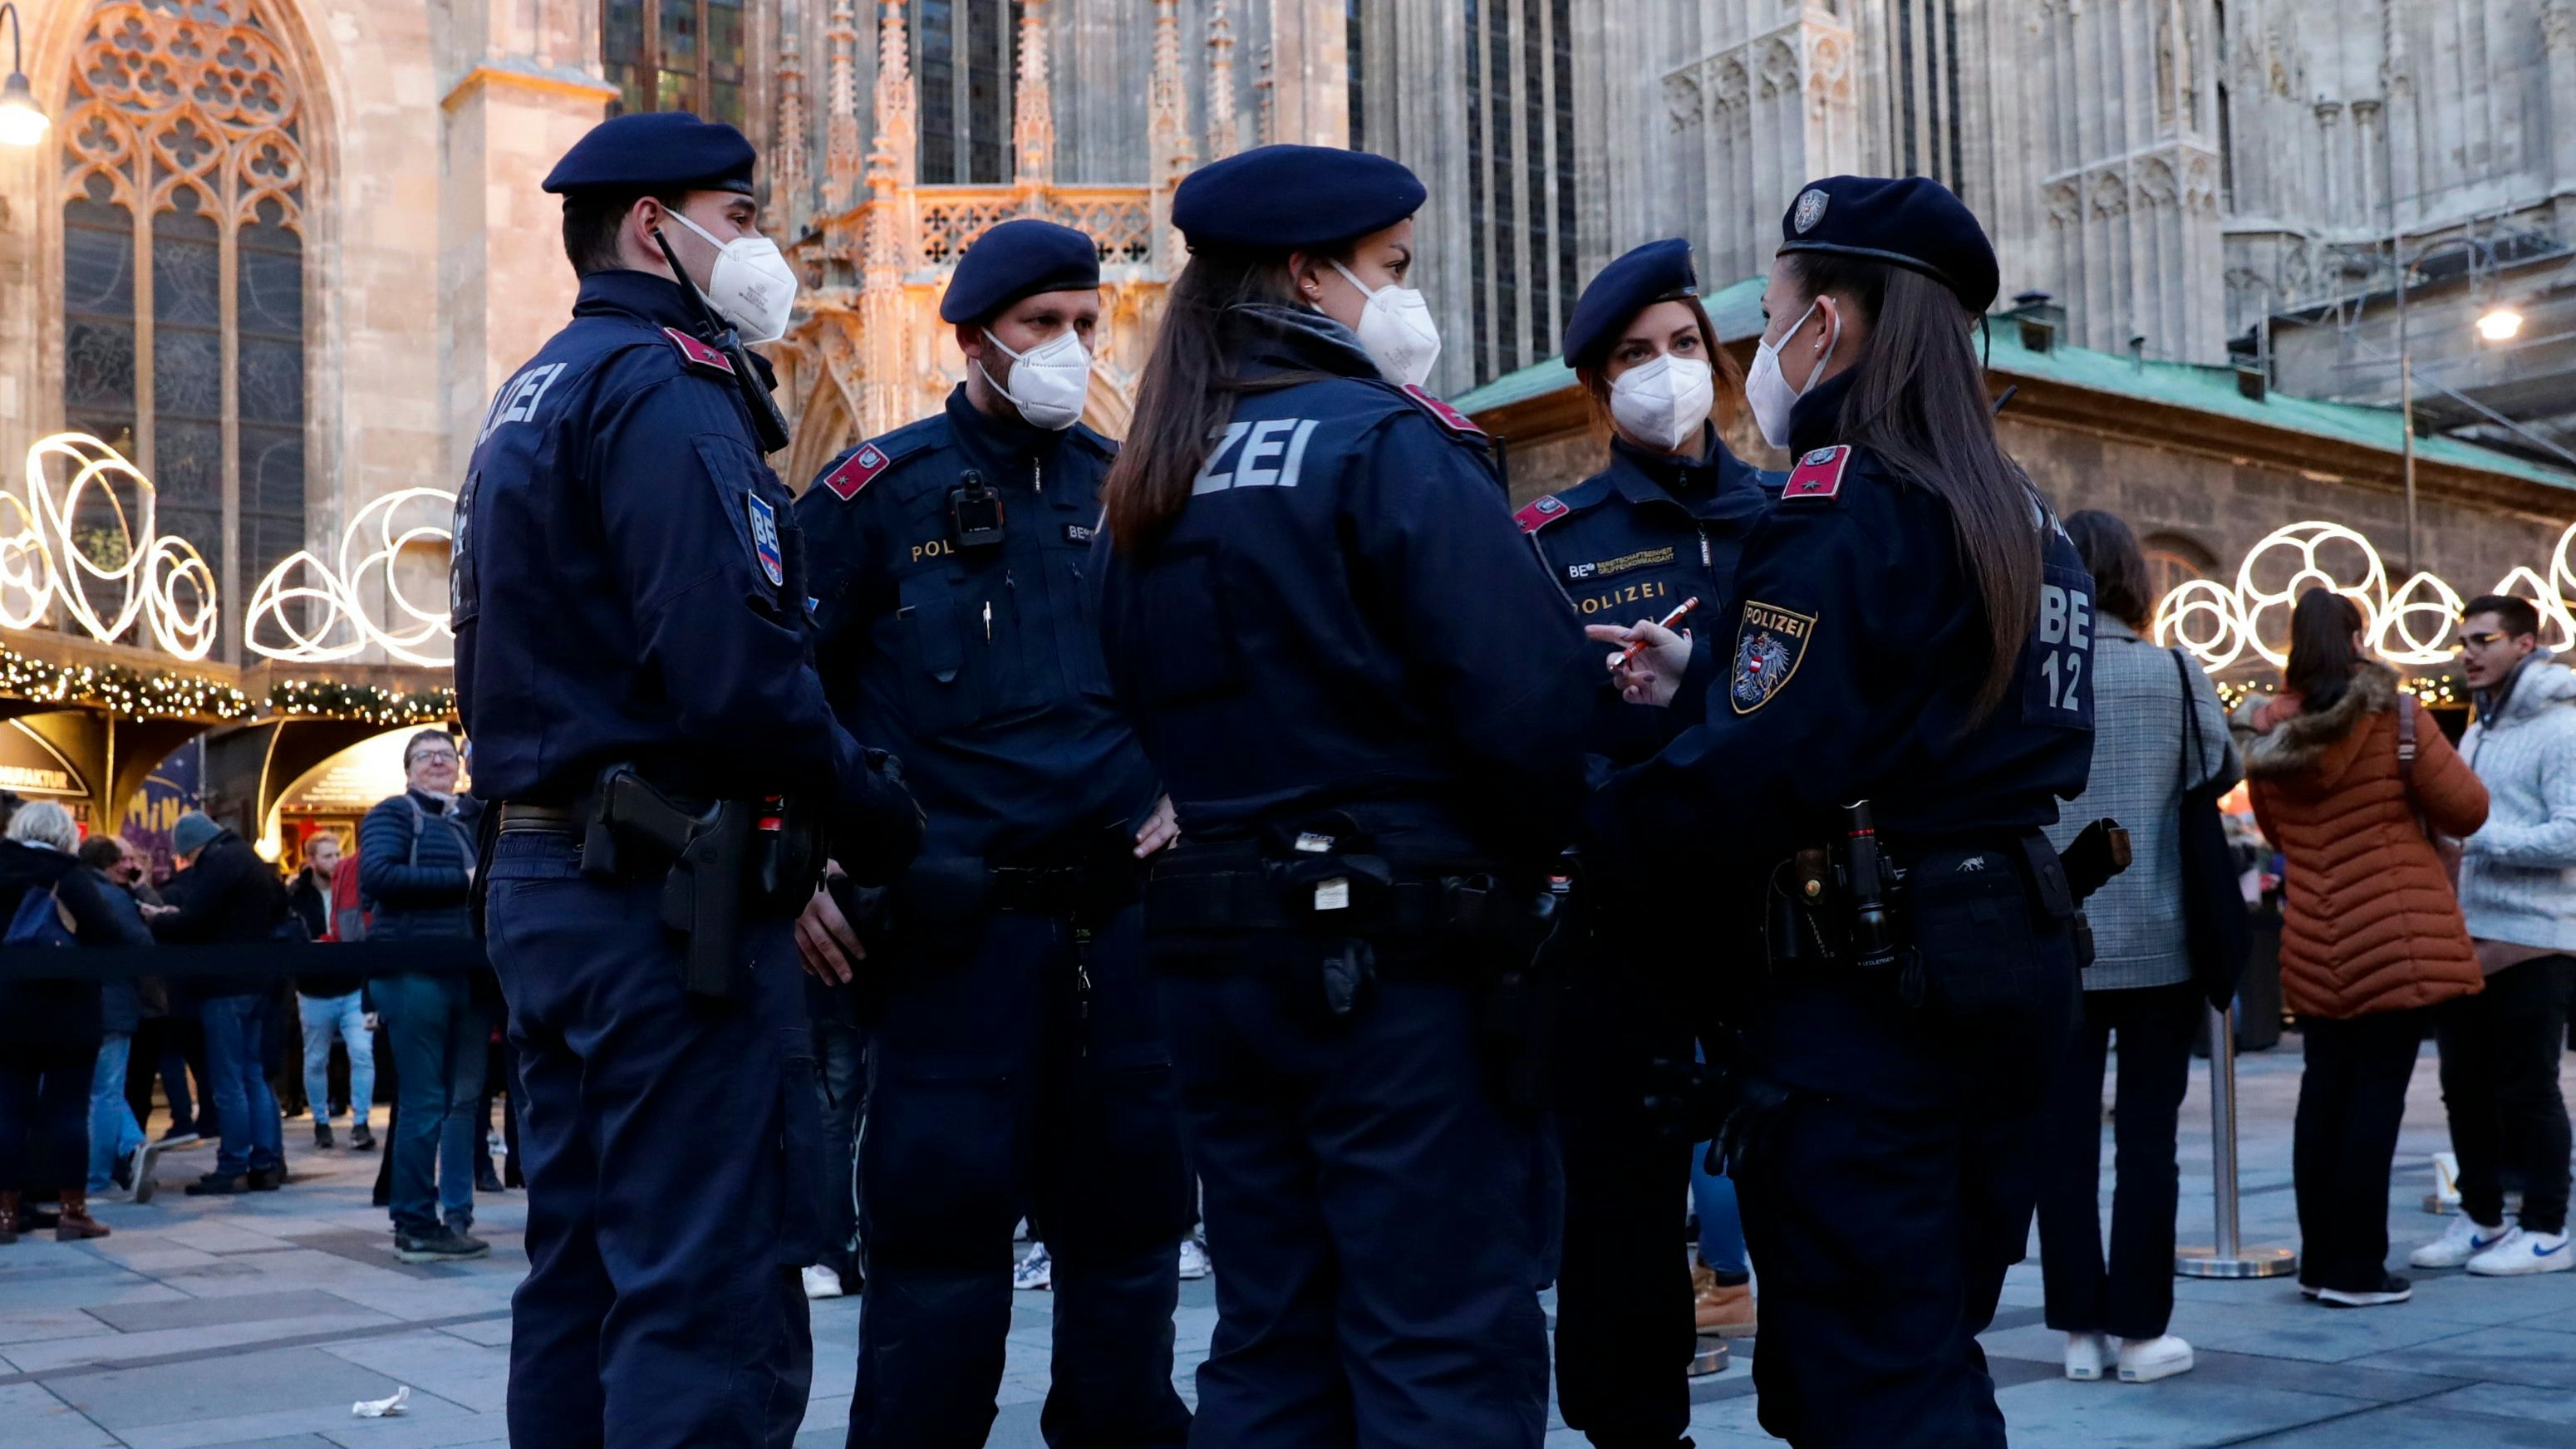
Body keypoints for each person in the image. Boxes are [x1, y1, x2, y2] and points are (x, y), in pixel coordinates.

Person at [1093, 143, 1598, 1449]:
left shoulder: (1149, 476)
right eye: (1391, 270)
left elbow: (1136, 696)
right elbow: (1530, 710)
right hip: (1396, 956)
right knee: (1437, 1336)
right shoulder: (1389, 446)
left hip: (1213, 944)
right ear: (1311, 276)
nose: (1404, 300)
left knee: (1271, 1334)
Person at [1586, 175, 2096, 1447]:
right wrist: (1713, 677)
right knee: (1920, 1334)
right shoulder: (2019, 509)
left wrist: (1591, 820)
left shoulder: (1843, 498)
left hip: (1875, 980)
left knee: (1873, 1366)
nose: (1762, 345)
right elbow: (1930, 707)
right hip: (2009, 944)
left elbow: (1755, 768)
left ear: (1839, 324)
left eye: (1775, 311)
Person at [453, 111, 922, 1449]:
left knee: (583, 1265)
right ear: (655, 225)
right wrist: (869, 805)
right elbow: (732, 666)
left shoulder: (539, 383)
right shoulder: (668, 384)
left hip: (554, 875)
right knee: (704, 1281)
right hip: (664, 896)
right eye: (739, 218)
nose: (759, 245)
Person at [789, 216, 1192, 1447]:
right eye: (1043, 327)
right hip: (951, 938)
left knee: (1129, 1243)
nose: (1072, 347)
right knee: (936, 1256)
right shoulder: (874, 494)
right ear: (972, 339)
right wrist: (793, 854)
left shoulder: (1136, 493)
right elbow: (775, 688)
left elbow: (1201, 676)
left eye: (1087, 324)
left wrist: (1195, 788)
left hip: (1117, 933)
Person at [1517, 238, 1772, 1447]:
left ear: (1719, 370)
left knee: (1810, 1212)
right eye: (1633, 356)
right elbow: (1521, 723)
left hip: (1782, 922)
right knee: (1618, 1236)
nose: (1663, 373)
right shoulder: (1549, 539)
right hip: (1619, 932)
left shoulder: (1788, 519)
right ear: (1593, 390)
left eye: (1682, 348)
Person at [2234, 587, 2487, 1308]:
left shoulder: (2268, 738)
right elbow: (2468, 808)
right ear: (2355, 638)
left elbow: (2280, 841)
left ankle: (2321, 1264)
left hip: (2317, 937)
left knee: (2323, 1096)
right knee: (2376, 1101)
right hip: (2398, 936)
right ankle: (2357, 1270)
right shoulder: (2395, 713)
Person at [2033, 510, 2239, 1383]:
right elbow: (2219, 769)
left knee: (2062, 1138)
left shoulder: (2029, 676)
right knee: (2149, 1141)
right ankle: (2141, 1332)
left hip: (2055, 940)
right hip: (2161, 939)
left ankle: (2076, 1329)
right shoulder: (2174, 670)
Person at [2412, 595, 2576, 1277]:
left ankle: (2547, 1226)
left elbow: (2571, 834)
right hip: (2470, 932)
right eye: (2464, 642)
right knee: (2464, 1084)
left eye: (2485, 640)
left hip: (2537, 935)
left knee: (2528, 1085)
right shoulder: (2480, 727)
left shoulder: (2563, 727)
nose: (2469, 653)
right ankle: (2481, 1216)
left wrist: (2478, 839)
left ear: (2525, 643)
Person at [361, 729, 489, 1261]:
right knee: (423, 1101)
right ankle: (413, 1221)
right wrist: (464, 879)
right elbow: (378, 875)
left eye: (446, 755)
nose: (438, 762)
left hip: (467, 975)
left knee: (460, 1102)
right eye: (425, 756)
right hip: (414, 971)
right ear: (409, 770)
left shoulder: (467, 820)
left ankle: (451, 1216)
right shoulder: (395, 814)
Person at [0, 803, 149, 1242]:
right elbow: (109, 935)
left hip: (6, 1008)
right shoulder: (69, 874)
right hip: (67, 1008)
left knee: (7, 1109)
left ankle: (5, 1215)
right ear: (66, 833)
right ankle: (72, 1212)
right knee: (68, 1111)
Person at [154, 810, 293, 1197]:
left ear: (192, 846)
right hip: (260, 980)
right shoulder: (249, 858)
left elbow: (195, 920)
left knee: (228, 1078)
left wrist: (158, 920)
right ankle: (266, 1163)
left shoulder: (217, 862)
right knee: (254, 1074)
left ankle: (232, 1163)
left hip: (225, 984)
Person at [78, 835, 162, 1203]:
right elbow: (143, 946)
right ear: (111, 865)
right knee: (106, 1092)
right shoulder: (115, 897)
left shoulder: (78, 893)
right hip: (115, 1004)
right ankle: (123, 1153)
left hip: (84, 1004)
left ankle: (115, 1160)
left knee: (97, 1091)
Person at [289, 833, 374, 1152]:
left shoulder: (352, 884)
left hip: (351, 983)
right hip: (314, 988)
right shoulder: (297, 894)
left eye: (337, 854)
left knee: (362, 1053)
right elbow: (291, 932)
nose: (334, 861)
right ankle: (321, 1121)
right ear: (311, 860)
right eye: (326, 856)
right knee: (316, 1058)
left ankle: (361, 1121)